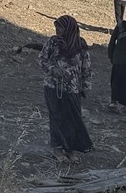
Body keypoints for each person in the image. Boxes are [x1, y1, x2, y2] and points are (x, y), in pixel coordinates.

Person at [38, 15, 94, 160]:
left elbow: (86, 67)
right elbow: (42, 59)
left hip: (73, 88)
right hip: (53, 87)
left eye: (60, 27)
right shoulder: (52, 42)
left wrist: (86, 86)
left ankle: (70, 149)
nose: (57, 30)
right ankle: (57, 149)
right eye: (56, 26)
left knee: (72, 119)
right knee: (56, 117)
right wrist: (53, 69)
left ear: (68, 28)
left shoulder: (80, 44)